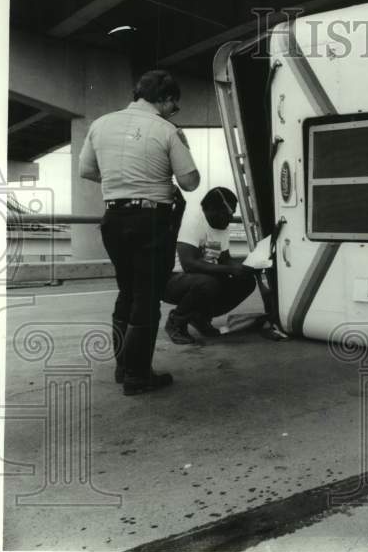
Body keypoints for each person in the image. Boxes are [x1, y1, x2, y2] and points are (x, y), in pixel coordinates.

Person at [79, 70, 200, 395]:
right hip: (151, 220)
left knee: (126, 291)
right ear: (166, 99)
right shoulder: (166, 129)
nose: (173, 111)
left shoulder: (100, 124)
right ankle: (137, 375)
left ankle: (123, 367)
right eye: (174, 105)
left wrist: (121, 183)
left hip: (114, 218)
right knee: (147, 297)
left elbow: (86, 170)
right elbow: (189, 181)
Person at [163, 187, 257, 344]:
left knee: (246, 282)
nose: (231, 217)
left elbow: (224, 260)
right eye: (228, 213)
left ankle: (200, 317)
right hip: (170, 279)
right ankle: (176, 322)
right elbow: (189, 264)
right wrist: (230, 269)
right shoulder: (193, 222)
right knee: (208, 283)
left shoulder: (221, 226)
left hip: (198, 279)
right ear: (212, 210)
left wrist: (248, 266)